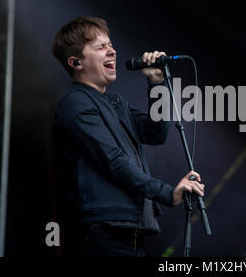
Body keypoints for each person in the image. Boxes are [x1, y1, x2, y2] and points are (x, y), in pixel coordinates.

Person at [51, 16, 205, 257]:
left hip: (129, 230)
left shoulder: (115, 103)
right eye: (100, 47)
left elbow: (155, 133)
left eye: (111, 45)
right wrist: (166, 193)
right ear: (76, 62)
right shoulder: (76, 104)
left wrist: (156, 83)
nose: (111, 51)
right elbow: (113, 160)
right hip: (101, 230)